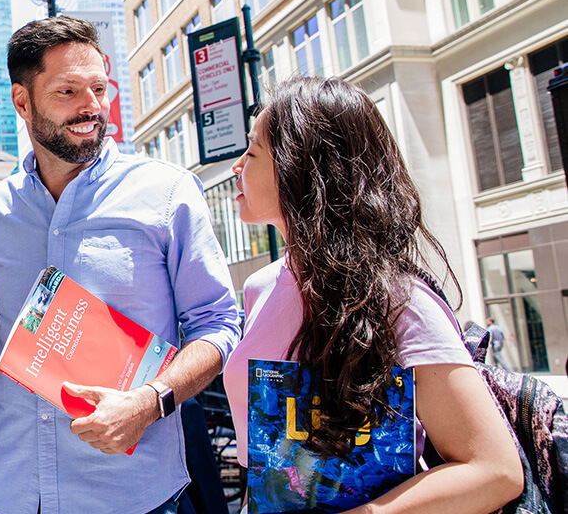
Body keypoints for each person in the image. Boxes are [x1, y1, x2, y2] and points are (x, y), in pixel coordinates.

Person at [223, 77, 522, 513]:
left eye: (251, 151)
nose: (237, 166)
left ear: (301, 169)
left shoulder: (399, 301)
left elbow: (493, 470)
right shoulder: (259, 288)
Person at [0, 15, 241, 514]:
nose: (92, 107)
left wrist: (150, 401)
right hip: (16, 492)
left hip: (131, 493)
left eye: (99, 88)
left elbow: (219, 323)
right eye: (68, 91)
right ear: (22, 101)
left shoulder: (166, 193)